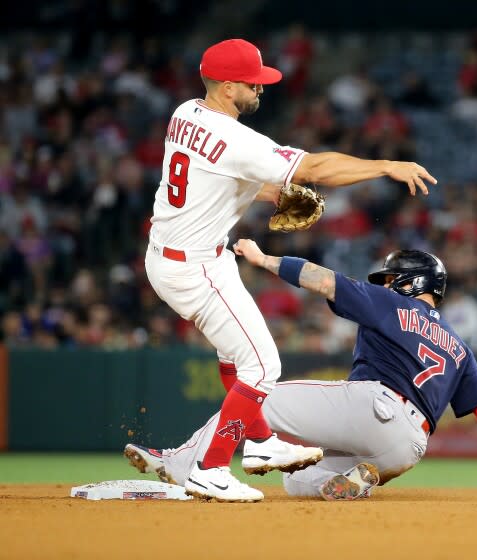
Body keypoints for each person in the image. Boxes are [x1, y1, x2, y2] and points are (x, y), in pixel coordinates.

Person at [131, 38, 438, 503]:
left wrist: (271, 194)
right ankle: (210, 469)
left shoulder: (186, 112)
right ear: (229, 87)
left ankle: (258, 441)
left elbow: (214, 176)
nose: (262, 87)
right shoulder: (236, 138)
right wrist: (386, 165)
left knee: (236, 361)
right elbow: (315, 167)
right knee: (264, 366)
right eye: (253, 82)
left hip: (177, 254)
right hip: (195, 266)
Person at [127, 240, 477, 501]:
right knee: (296, 483)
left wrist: (263, 258)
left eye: (390, 278)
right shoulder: (459, 347)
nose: (383, 284)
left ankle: (184, 463)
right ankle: (359, 477)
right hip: (407, 450)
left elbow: (324, 281)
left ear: (410, 284)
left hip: (374, 406)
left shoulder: (392, 304)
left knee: (257, 391)